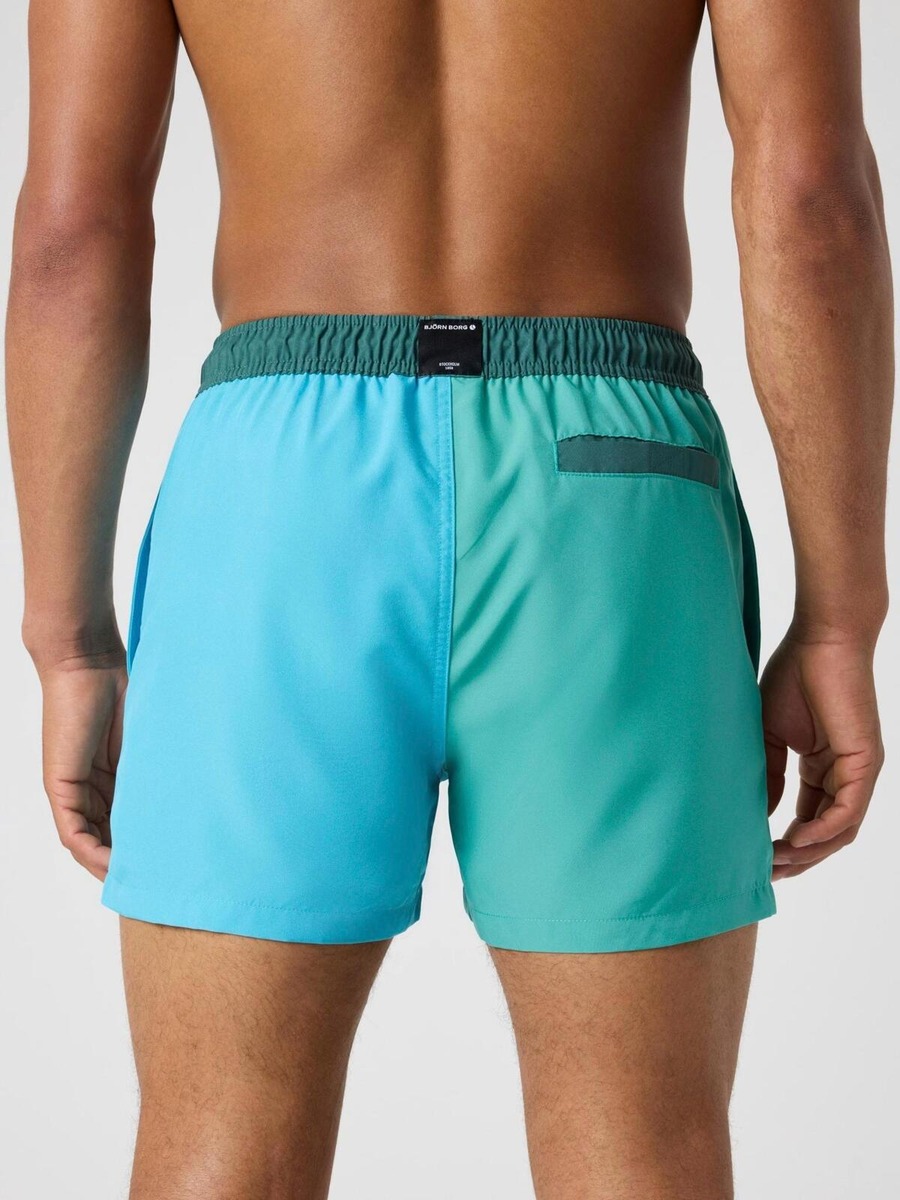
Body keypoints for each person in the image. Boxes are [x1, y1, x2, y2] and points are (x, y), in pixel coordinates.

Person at [6, 1, 892, 1197]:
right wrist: (840, 617)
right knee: (641, 1156)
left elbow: (73, 233)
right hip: (608, 485)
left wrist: (69, 642)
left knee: (221, 1147)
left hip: (280, 495)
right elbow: (808, 197)